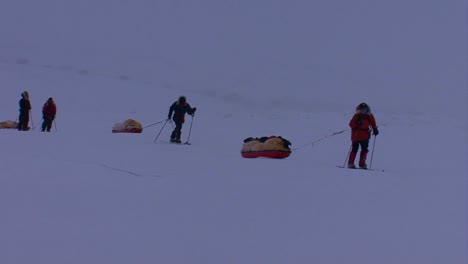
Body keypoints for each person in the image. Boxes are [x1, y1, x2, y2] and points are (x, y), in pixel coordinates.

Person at [347, 102, 379, 169]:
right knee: (355, 149)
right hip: (356, 135)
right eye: (362, 109)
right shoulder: (356, 115)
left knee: (364, 149)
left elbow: (373, 123)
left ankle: (362, 164)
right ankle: (351, 163)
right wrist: (357, 123)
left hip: (365, 136)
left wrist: (375, 129)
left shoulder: (370, 116)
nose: (363, 110)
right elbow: (351, 124)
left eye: (364, 109)